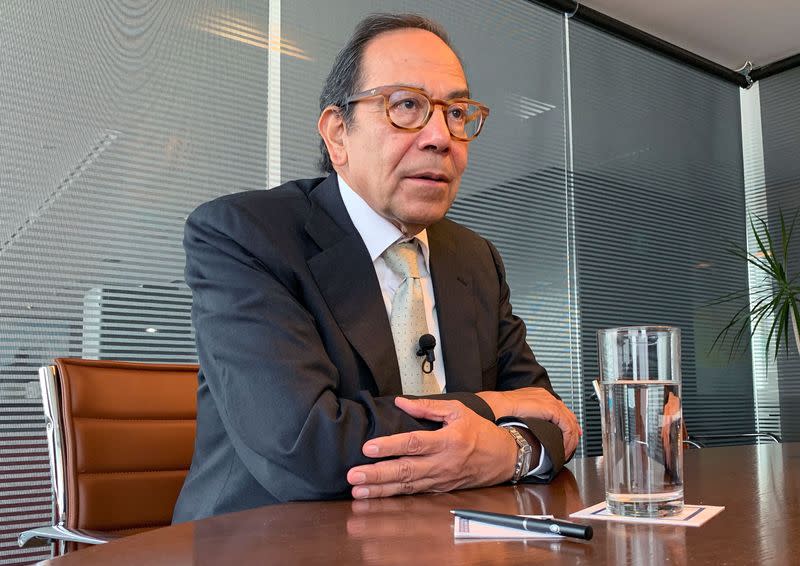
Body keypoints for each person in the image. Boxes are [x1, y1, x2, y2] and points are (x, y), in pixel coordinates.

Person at [173, 13, 580, 523]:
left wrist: (508, 453)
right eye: (407, 105)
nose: (441, 137)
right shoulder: (246, 234)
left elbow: (548, 415)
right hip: (272, 540)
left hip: (442, 539)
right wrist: (491, 409)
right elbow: (307, 445)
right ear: (338, 134)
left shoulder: (475, 259)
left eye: (457, 113)